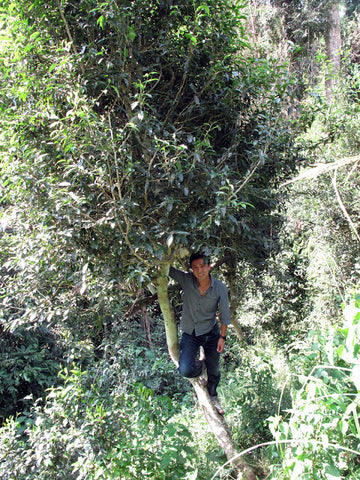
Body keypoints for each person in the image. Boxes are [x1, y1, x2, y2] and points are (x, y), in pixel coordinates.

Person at [169, 252, 231, 415]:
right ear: (191, 269)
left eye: (202, 266)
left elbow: (225, 314)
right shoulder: (186, 280)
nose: (199, 270)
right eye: (195, 267)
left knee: (214, 370)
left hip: (211, 332)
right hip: (190, 333)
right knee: (185, 370)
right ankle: (201, 365)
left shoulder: (219, 288)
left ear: (209, 266)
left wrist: (222, 337)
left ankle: (214, 396)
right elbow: (168, 270)